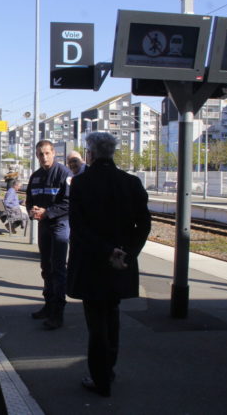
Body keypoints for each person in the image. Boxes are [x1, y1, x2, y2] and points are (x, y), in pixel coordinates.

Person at [67, 132, 151, 397]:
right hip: (121, 266)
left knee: (96, 322)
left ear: (89, 154)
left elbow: (78, 229)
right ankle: (109, 370)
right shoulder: (131, 182)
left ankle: (99, 378)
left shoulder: (81, 184)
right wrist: (126, 253)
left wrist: (107, 250)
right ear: (112, 153)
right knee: (112, 317)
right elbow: (144, 224)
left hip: (92, 264)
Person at [25, 140, 72, 330]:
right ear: (36, 156)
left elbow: (70, 202)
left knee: (58, 269)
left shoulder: (65, 174)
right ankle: (48, 305)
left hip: (60, 225)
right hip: (44, 226)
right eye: (40, 154)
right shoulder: (35, 176)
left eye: (47, 153)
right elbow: (29, 199)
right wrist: (31, 210)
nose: (44, 157)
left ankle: (58, 313)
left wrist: (47, 212)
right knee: (45, 267)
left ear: (54, 153)